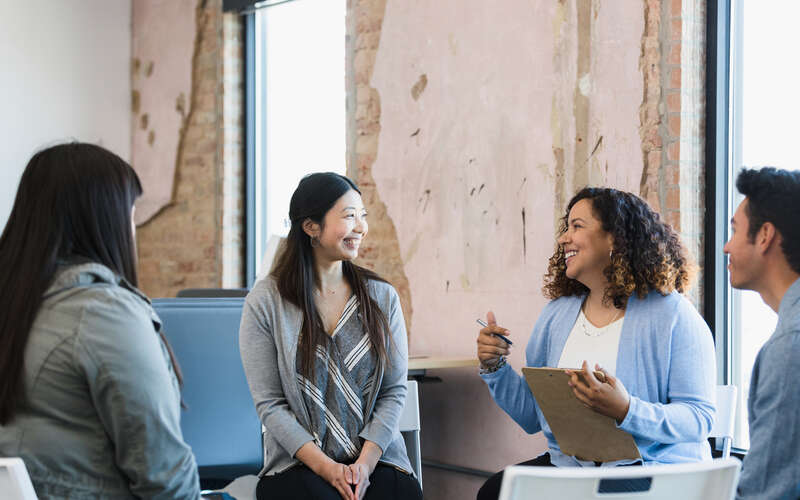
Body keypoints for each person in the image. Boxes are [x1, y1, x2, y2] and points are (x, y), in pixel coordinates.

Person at [475, 187, 717, 500]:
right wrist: (494, 366)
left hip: (649, 471)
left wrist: (626, 410)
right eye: (567, 228)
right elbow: (534, 417)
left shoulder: (673, 314)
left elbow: (699, 418)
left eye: (577, 226)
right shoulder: (556, 315)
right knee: (495, 492)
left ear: (614, 238)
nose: (564, 238)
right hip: (573, 469)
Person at [0, 143, 201, 499]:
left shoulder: (17, 302)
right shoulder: (103, 314)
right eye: (131, 213)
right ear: (104, 220)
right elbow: (163, 475)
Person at [239, 172, 422, 500]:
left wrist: (364, 465)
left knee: (401, 493)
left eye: (362, 216)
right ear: (311, 227)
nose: (361, 227)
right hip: (300, 465)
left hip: (376, 462)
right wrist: (328, 468)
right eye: (349, 216)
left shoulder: (381, 296)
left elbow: (393, 391)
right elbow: (270, 404)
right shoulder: (266, 301)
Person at [724, 168, 800, 500]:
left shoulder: (790, 347)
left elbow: (767, 491)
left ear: (765, 235)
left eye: (735, 230)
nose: (726, 247)